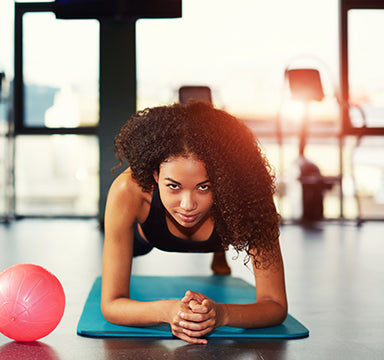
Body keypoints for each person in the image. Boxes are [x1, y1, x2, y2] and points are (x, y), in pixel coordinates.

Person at [101, 100, 287, 344]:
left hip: (220, 231)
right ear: (156, 175)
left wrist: (223, 314)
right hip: (147, 236)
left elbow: (275, 305)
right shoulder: (129, 191)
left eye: (204, 186)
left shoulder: (250, 197)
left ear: (221, 179)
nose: (188, 205)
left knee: (228, 228)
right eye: (173, 186)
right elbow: (112, 304)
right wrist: (167, 311)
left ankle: (218, 251)